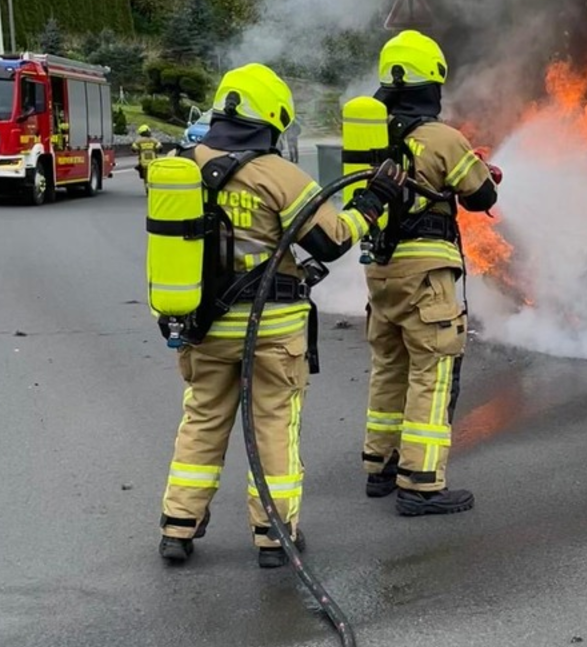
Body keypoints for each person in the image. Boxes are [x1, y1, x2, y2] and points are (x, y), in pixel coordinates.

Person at [157, 63, 408, 567]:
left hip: (202, 328)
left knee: (202, 419)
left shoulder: (184, 167)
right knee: (273, 425)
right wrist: (372, 201)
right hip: (271, 331)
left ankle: (178, 526)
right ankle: (274, 535)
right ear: (271, 118)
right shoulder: (279, 175)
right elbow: (331, 241)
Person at [360, 30, 501, 517]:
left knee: (389, 368)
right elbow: (482, 197)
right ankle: (420, 484)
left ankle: (379, 466)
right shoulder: (441, 138)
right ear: (432, 84)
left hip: (381, 271)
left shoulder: (371, 136)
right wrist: (480, 171)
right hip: (426, 277)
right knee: (433, 373)